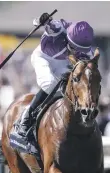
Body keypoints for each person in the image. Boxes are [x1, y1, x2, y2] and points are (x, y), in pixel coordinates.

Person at [12, 13, 95, 146]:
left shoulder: (84, 46)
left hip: (61, 62)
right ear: (69, 39)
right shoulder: (58, 29)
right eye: (76, 48)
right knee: (50, 84)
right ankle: (25, 119)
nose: (78, 51)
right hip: (43, 58)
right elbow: (41, 22)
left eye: (81, 49)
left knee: (70, 87)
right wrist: (42, 20)